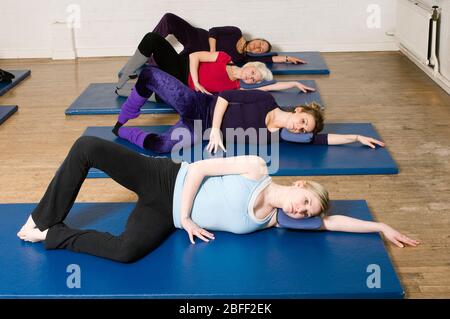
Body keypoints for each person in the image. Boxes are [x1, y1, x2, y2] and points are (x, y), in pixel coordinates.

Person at [17, 136, 419, 263]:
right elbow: (197, 169)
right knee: (88, 146)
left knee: (126, 252)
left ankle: (52, 235)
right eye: (307, 202)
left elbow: (334, 222)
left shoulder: (275, 219)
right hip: (164, 178)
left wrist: (380, 226)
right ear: (301, 186)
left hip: (163, 215)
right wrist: (189, 218)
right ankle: (41, 218)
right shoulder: (256, 168)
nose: (301, 211)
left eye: (306, 213)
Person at [113, 66, 385, 154]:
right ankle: (128, 113)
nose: (299, 127)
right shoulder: (265, 101)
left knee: (160, 146)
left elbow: (322, 139)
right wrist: (217, 132)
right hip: (200, 106)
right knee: (150, 76)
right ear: (299, 109)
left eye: (303, 129)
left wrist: (356, 137)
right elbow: (224, 97)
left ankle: (124, 131)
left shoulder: (277, 136)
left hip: (197, 130)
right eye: (302, 121)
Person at [116, 32, 312, 97]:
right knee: (152, 39)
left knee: (141, 89)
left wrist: (294, 83)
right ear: (250, 65)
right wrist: (198, 83)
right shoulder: (223, 57)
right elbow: (194, 57)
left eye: (254, 79)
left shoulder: (238, 87)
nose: (250, 77)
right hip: (180, 68)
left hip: (179, 88)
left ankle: (121, 91)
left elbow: (272, 86)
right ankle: (124, 76)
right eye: (253, 72)